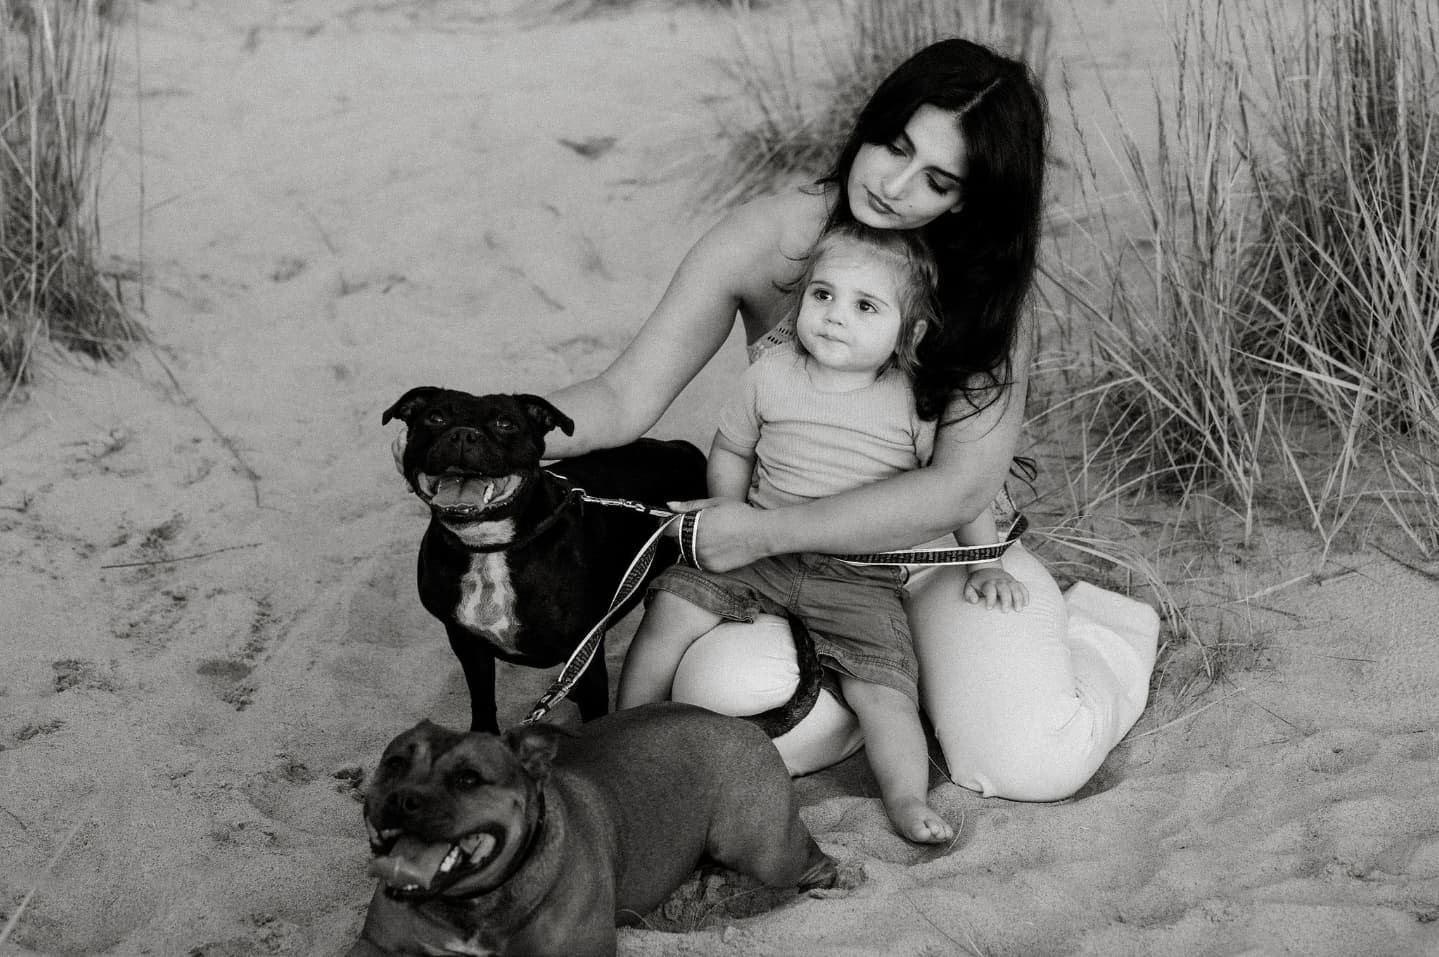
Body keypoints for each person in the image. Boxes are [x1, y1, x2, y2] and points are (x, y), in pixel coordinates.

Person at [542, 38, 1159, 802]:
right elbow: (625, 394)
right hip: (787, 560)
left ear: (966, 198)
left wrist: (759, 532)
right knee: (711, 694)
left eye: (935, 179)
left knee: (1030, 762)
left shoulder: (982, 287)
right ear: (870, 122)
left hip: (930, 558)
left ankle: (1099, 631)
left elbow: (957, 489)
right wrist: (492, 428)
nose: (895, 187)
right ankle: (886, 687)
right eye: (892, 146)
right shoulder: (769, 236)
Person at [616, 222, 1025, 843]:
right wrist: (729, 517)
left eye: (865, 306)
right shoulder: (770, 374)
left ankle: (907, 798)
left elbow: (957, 493)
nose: (835, 317)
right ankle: (626, 735)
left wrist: (985, 561)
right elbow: (732, 449)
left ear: (908, 332)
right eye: (823, 295)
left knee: (884, 688)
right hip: (764, 553)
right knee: (671, 606)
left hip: (862, 576)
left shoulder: (915, 401)